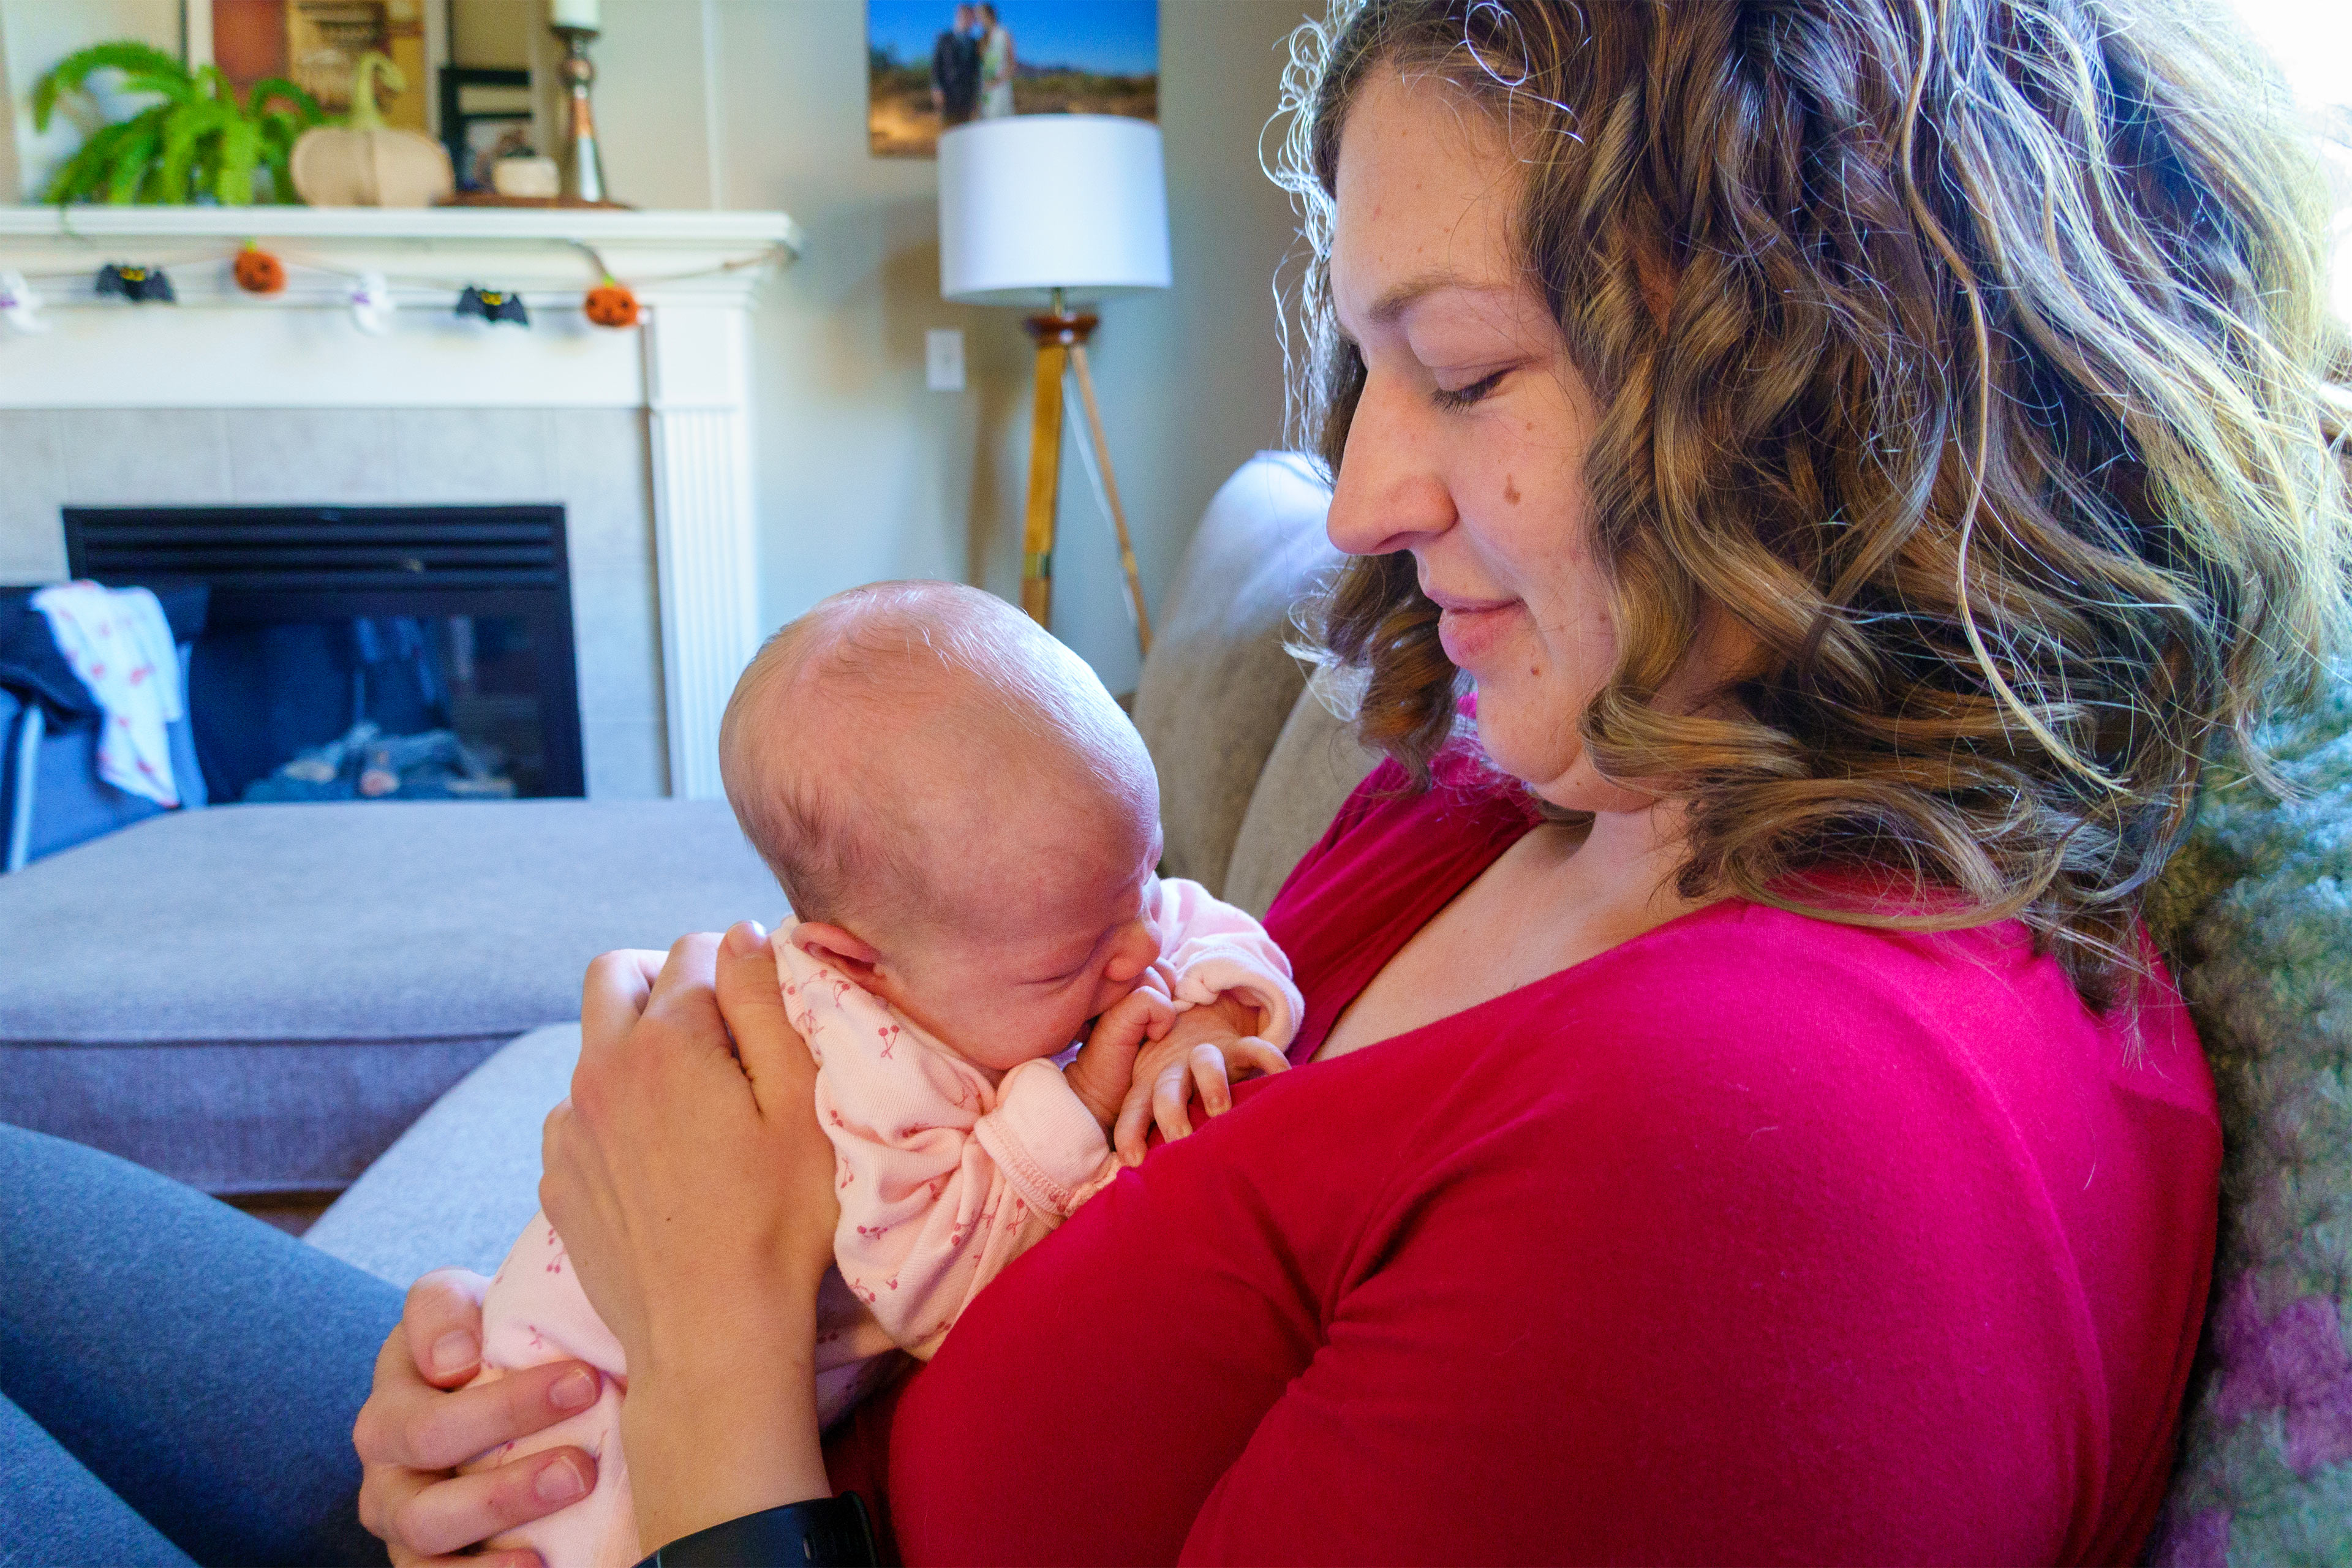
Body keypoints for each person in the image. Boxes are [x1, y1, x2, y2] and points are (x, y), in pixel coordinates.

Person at [1, 0, 2345, 1561]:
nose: (1358, 498)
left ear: (1824, 398)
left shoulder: (1775, 1165)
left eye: (1459, 369)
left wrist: (703, 1347)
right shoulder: (1549, 781)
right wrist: (513, 1419)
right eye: (1364, 371)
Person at [461, 583, 1299, 1568]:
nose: (1141, 948)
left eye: (1146, 873)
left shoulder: (1081, 910)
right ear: (859, 962)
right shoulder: (861, 1075)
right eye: (1066, 966)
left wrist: (1201, 1019)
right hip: (582, 1419)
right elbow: (926, 1286)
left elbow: (1206, 925)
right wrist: (1077, 1104)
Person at [928, 4, 979, 129]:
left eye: (971, 18)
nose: (969, 21)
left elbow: (976, 71)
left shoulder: (974, 43)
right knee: (948, 129)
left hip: (967, 96)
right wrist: (936, 88)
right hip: (947, 93)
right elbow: (936, 65)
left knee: (965, 131)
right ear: (958, 16)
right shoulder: (944, 38)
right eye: (966, 17)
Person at [976, 4, 1014, 119]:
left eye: (981, 16)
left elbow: (1011, 64)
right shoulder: (981, 40)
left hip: (1000, 89)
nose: (979, 20)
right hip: (984, 91)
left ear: (990, 15)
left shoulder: (1003, 34)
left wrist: (996, 81)